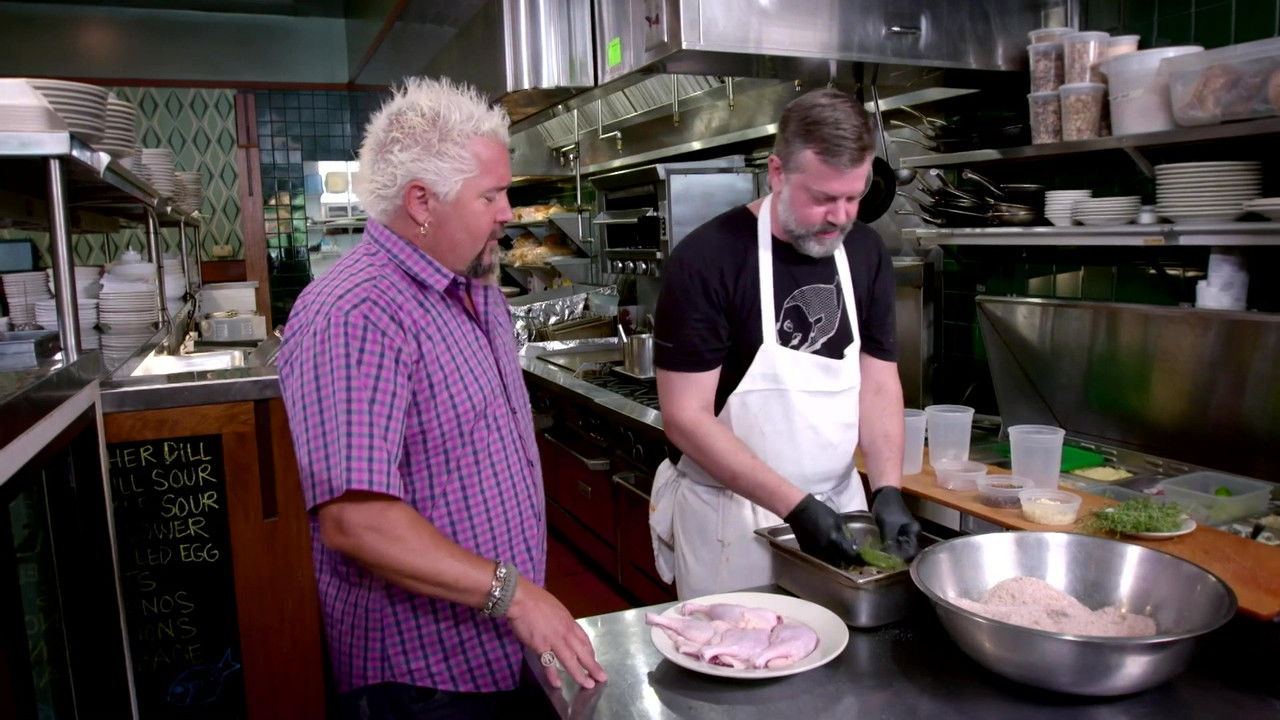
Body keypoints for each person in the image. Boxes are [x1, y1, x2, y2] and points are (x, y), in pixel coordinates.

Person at [277, 77, 607, 720]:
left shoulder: (475, 288)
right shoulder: (357, 312)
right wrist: (516, 595)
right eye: (490, 195)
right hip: (420, 680)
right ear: (422, 202)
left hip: (497, 650)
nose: (507, 212)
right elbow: (357, 520)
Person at [649, 88, 921, 600]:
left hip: (840, 509)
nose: (841, 216)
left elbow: (879, 382)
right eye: (823, 198)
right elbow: (685, 416)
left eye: (854, 197)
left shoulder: (865, 252)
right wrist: (795, 507)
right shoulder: (709, 258)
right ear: (777, 172)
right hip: (730, 521)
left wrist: (887, 488)